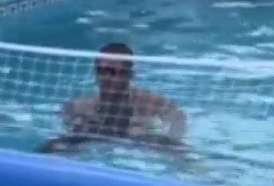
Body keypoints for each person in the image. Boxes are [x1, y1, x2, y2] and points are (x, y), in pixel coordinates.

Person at [37, 42, 188, 155]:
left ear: (129, 75)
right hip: (95, 136)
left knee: (179, 151)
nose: (106, 77)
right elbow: (59, 123)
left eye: (113, 71)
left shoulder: (148, 102)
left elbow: (177, 116)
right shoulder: (79, 105)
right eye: (101, 70)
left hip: (138, 139)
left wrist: (173, 136)